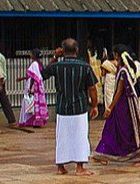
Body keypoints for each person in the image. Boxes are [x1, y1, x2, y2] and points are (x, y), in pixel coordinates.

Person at [41, 38, 100, 175]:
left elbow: (43, 74)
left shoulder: (57, 66)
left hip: (62, 107)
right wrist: (95, 105)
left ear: (62, 50)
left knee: (62, 137)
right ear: (77, 50)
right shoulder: (84, 66)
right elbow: (92, 88)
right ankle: (80, 167)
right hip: (79, 107)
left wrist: (55, 57)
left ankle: (60, 167)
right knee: (80, 136)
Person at [94, 46, 140, 167]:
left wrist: (110, 108)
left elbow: (119, 91)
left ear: (116, 55)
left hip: (123, 107)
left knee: (125, 132)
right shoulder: (124, 69)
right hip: (122, 106)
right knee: (112, 130)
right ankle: (103, 154)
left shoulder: (123, 70)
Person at [16, 48, 50, 128]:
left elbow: (34, 77)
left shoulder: (34, 64)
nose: (30, 55)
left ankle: (28, 121)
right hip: (36, 86)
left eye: (31, 53)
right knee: (34, 103)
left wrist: (30, 88)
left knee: (29, 102)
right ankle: (35, 121)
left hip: (33, 86)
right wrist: (22, 78)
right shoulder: (38, 63)